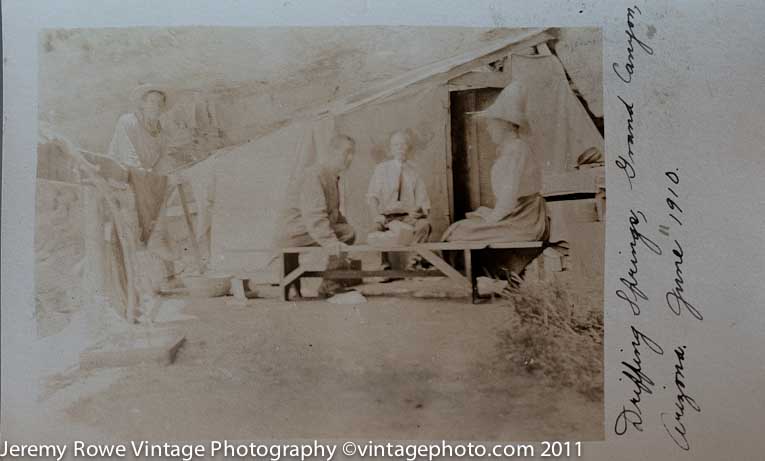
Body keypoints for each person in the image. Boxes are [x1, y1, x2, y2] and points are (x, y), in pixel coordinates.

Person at [442, 81, 548, 277]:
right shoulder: (513, 149)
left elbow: (509, 198)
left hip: (525, 221)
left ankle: (489, 277)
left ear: (504, 125)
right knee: (462, 226)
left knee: (458, 231)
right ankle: (493, 278)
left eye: (491, 124)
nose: (489, 129)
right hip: (521, 215)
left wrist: (489, 219)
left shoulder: (515, 151)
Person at [278, 134, 358, 297]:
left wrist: (344, 225)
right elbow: (314, 215)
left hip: (304, 228)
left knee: (347, 230)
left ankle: (331, 282)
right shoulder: (315, 174)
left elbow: (333, 213)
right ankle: (330, 285)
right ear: (332, 152)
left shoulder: (331, 176)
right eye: (347, 152)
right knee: (348, 233)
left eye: (352, 153)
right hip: (295, 230)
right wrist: (332, 242)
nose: (350, 158)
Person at [366, 130, 431, 272]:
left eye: (404, 144)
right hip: (387, 217)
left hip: (407, 217)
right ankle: (384, 267)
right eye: (396, 145)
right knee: (375, 230)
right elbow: (372, 196)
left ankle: (414, 264)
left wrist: (419, 211)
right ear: (390, 149)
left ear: (409, 147)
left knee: (424, 225)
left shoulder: (415, 171)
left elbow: (423, 202)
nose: (400, 148)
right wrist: (377, 216)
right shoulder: (382, 169)